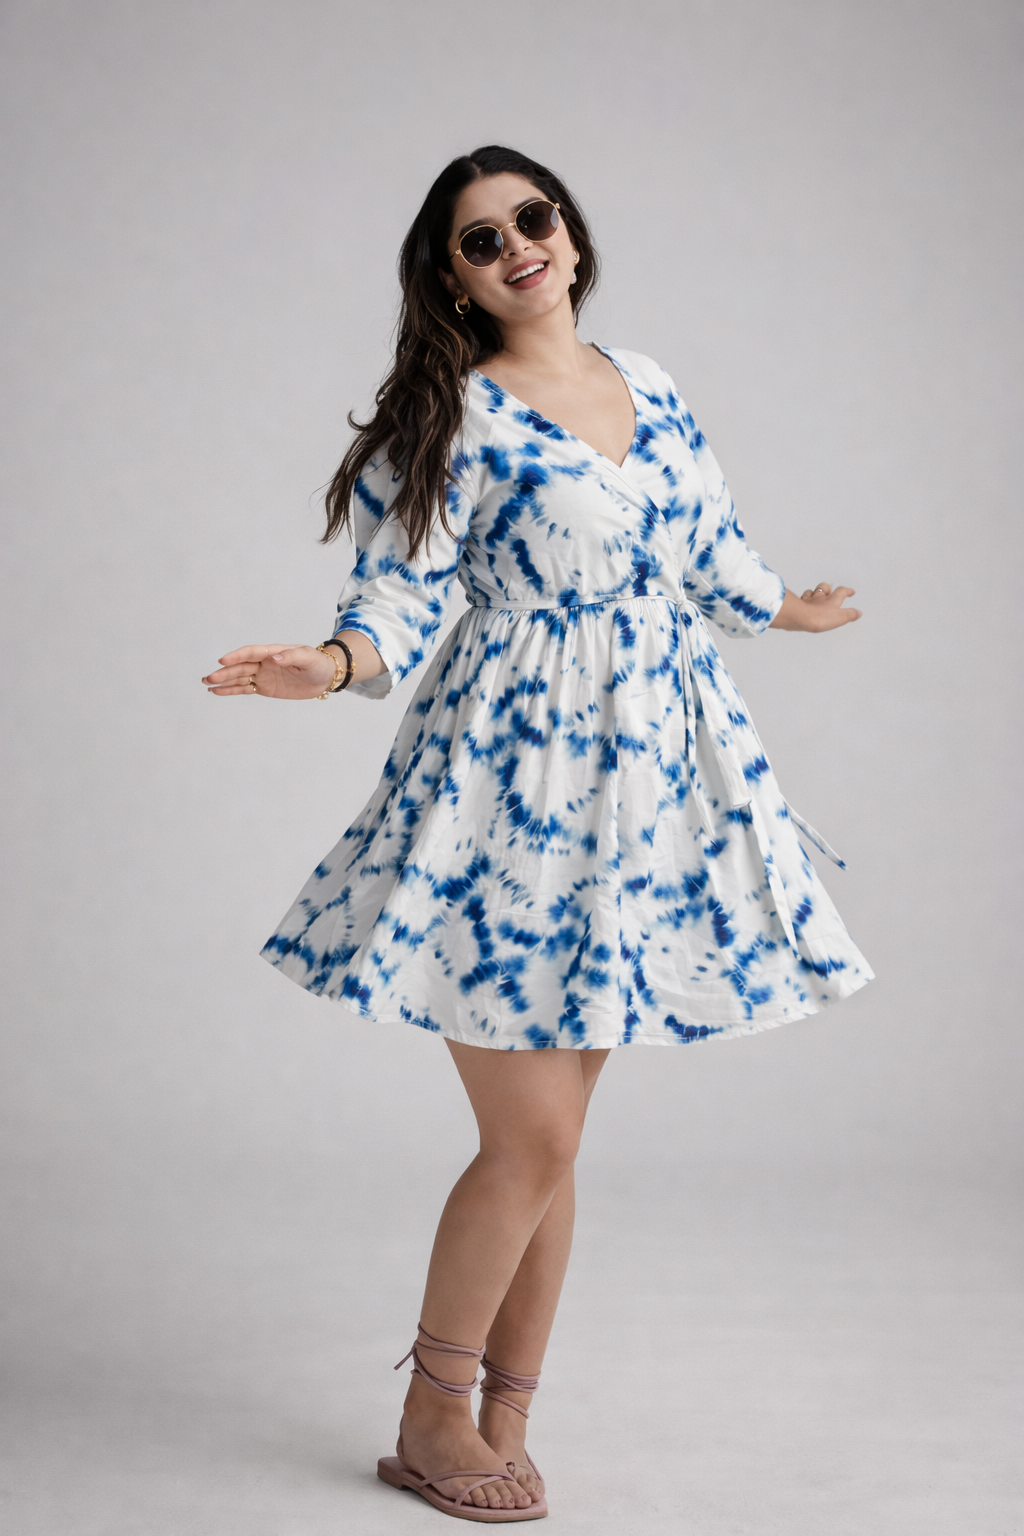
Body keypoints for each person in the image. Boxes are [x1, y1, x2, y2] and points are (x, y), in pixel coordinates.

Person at [202, 145, 872, 1523]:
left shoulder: (654, 380)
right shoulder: (450, 414)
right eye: (478, 238)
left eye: (532, 218)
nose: (516, 245)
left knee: (559, 1140)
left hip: (645, 786)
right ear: (448, 280)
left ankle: (500, 1416)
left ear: (568, 233)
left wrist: (784, 606)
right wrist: (327, 666)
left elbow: (709, 547)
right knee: (533, 1143)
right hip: (506, 791)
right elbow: (396, 593)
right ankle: (431, 1415)